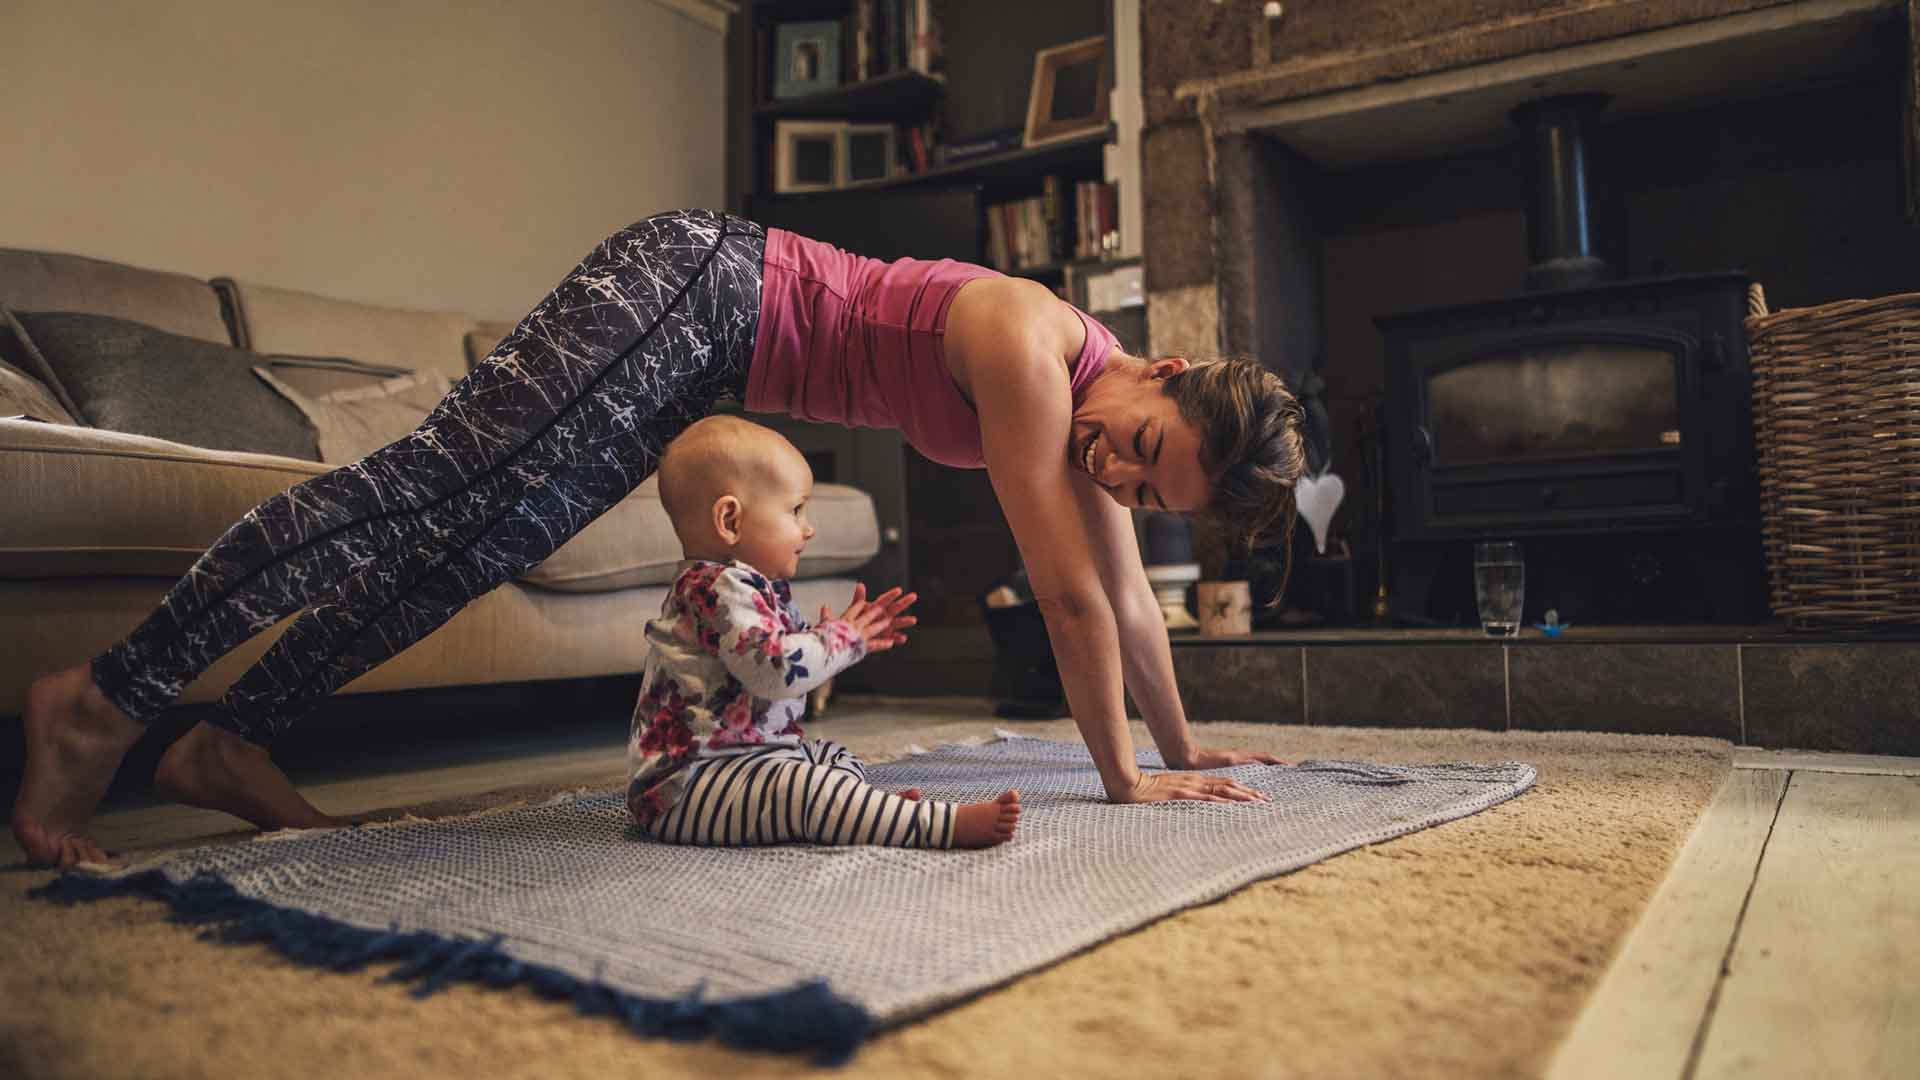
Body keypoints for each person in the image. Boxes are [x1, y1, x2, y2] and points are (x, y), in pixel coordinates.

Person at [13, 208, 1303, 869]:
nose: (1116, 474)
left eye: (1147, 491)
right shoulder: (1034, 347)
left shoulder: (1097, 410)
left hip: (698, 366)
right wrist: (1121, 779)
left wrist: (1185, 751)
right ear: (1158, 369)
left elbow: (1131, 598)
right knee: (429, 487)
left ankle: (232, 741)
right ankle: (107, 699)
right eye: (1140, 446)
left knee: (474, 547)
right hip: (694, 286)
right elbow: (1072, 600)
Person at [627, 414, 1018, 849]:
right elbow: (775, 671)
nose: (808, 527)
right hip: (690, 788)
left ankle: (860, 812)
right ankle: (933, 825)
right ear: (730, 521)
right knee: (801, 786)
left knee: (831, 757)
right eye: (795, 510)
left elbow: (764, 679)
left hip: (747, 763)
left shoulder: (745, 588)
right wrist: (843, 639)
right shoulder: (719, 588)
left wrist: (829, 643)